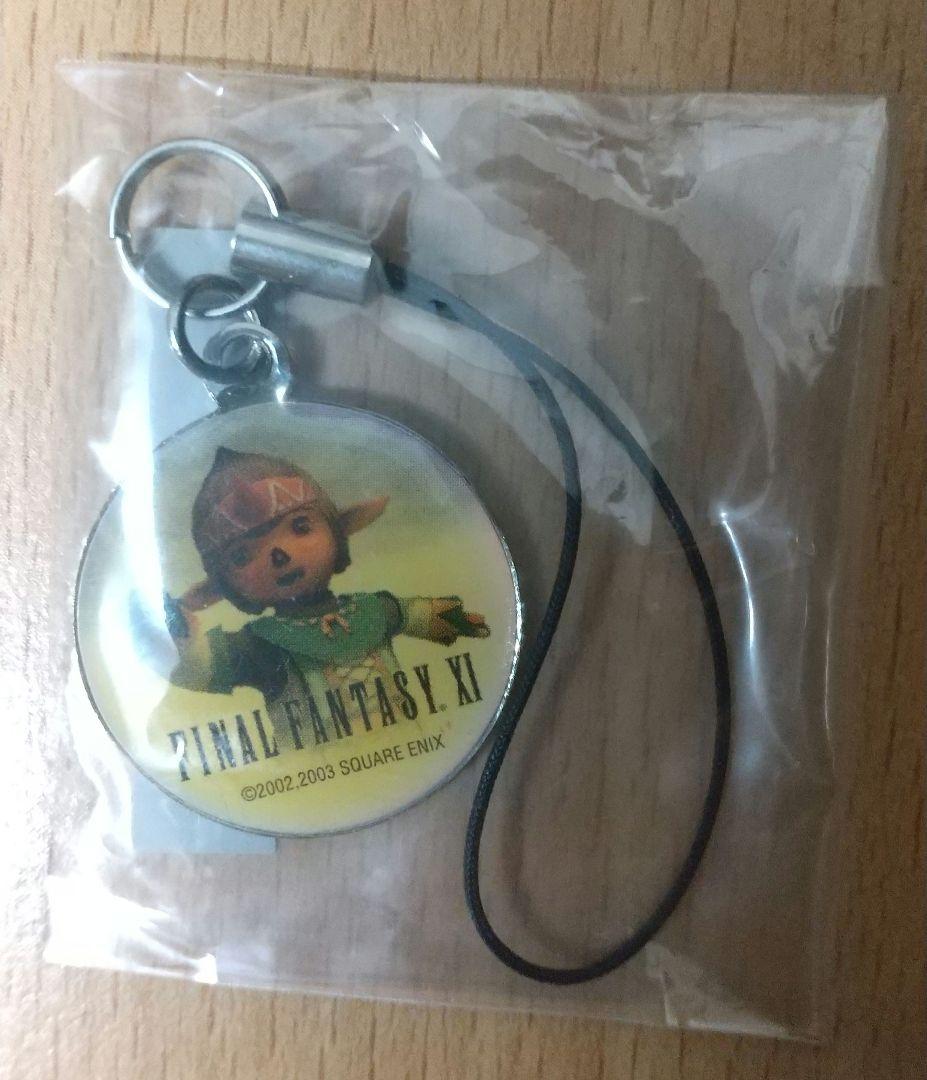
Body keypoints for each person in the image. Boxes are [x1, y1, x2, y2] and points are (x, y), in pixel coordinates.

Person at [166, 447, 489, 746]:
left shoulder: (373, 610)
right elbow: (201, 668)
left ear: (334, 532)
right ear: (227, 583)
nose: (279, 555)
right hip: (317, 772)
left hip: (407, 748)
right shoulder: (260, 646)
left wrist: (463, 620)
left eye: (300, 527)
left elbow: (418, 614)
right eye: (242, 556)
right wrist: (183, 637)